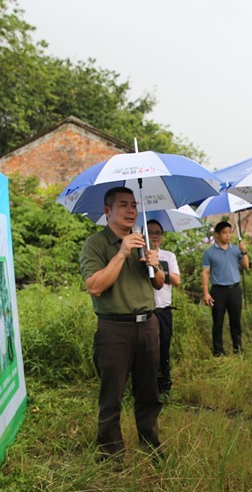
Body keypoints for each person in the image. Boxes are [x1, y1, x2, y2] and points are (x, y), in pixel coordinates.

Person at [80, 186, 165, 457]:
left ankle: (150, 444)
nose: (131, 211)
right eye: (123, 205)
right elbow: (95, 286)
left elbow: (159, 283)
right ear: (107, 211)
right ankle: (111, 453)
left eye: (133, 205)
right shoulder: (96, 244)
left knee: (149, 391)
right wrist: (121, 253)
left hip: (148, 324)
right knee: (112, 394)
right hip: (114, 328)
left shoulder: (142, 241)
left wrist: (155, 264)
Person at [202, 221, 249, 356]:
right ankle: (218, 351)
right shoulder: (209, 252)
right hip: (218, 290)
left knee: (236, 321)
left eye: (229, 232)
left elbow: (246, 265)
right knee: (218, 322)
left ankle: (238, 349)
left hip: (234, 289)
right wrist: (206, 293)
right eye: (224, 233)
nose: (228, 235)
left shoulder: (235, 249)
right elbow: (205, 273)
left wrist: (244, 251)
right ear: (217, 235)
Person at [147, 219, 181, 395]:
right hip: (146, 311)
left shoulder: (169, 256)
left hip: (164, 311)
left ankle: (164, 385)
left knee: (164, 347)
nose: (154, 236)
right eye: (150, 232)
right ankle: (147, 385)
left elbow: (177, 281)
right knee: (146, 350)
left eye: (157, 232)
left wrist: (159, 267)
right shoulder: (138, 255)